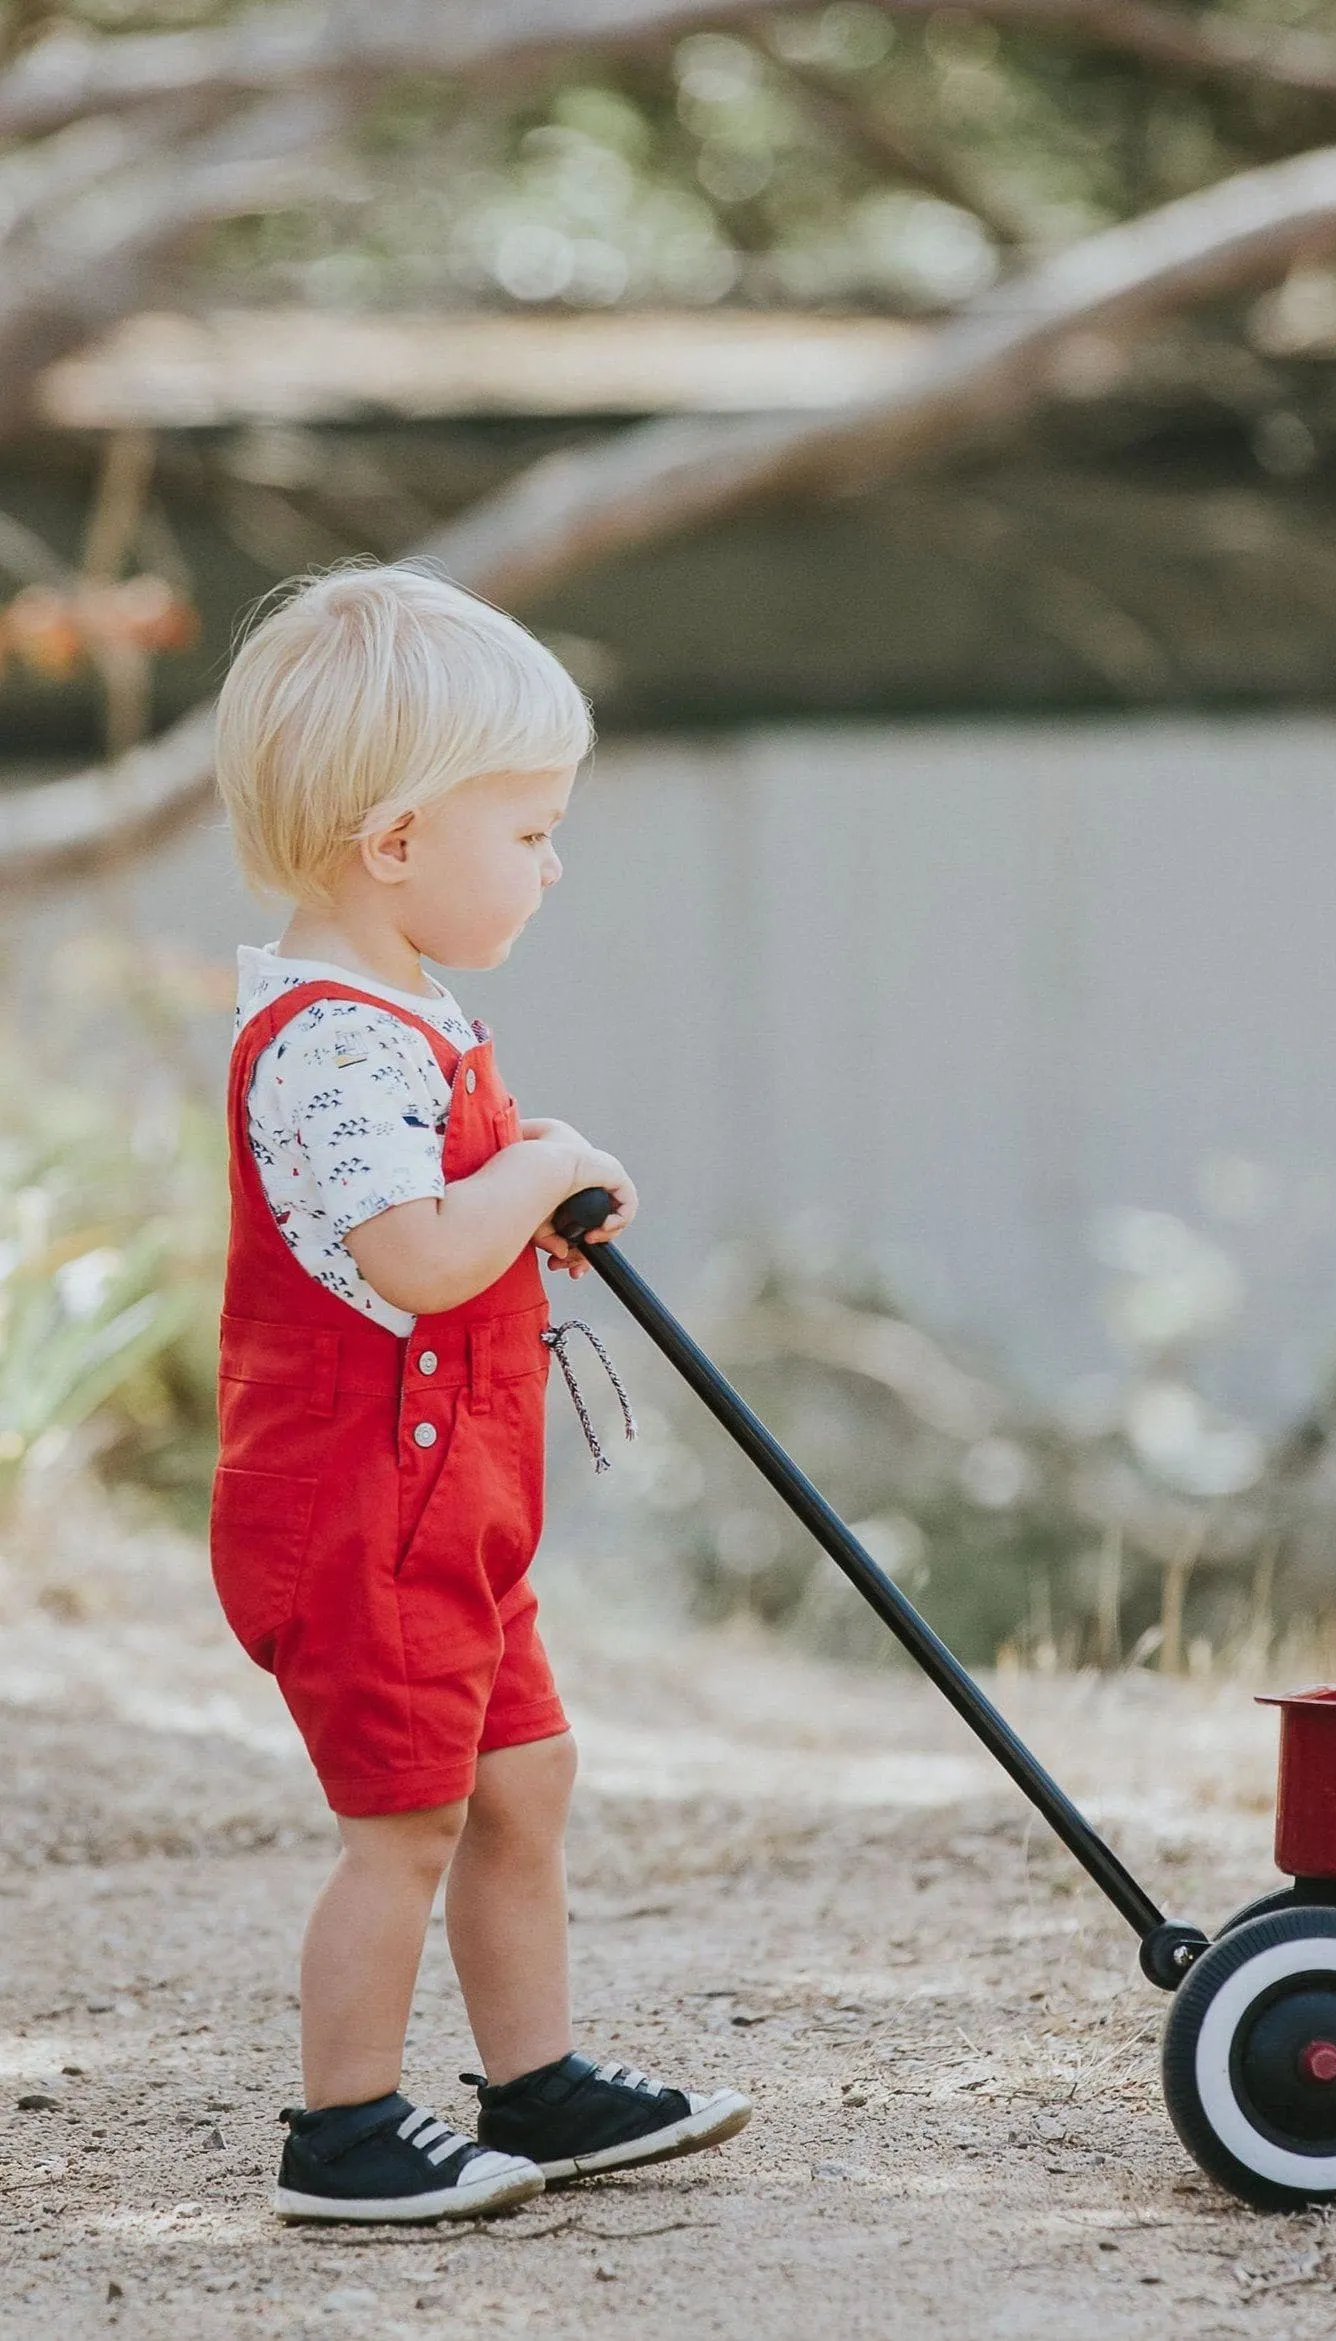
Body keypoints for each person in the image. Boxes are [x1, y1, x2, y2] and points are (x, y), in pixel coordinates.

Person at [209, 559, 749, 2224]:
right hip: (358, 1515)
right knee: (407, 1820)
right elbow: (418, 1256)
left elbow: (443, 1240)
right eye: (525, 832)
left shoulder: (406, 1015)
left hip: (447, 1501)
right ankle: (344, 2131)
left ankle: (540, 2084)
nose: (552, 862)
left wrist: (529, 1205)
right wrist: (538, 1172)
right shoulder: (327, 1043)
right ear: (396, 847)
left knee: (525, 1776)